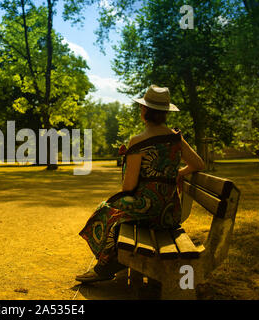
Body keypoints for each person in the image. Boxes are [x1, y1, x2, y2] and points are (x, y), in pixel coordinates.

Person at [75, 85, 205, 283]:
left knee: (105, 210)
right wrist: (177, 173)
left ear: (144, 111)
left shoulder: (138, 140)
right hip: (170, 213)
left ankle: (107, 266)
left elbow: (128, 187)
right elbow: (198, 164)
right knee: (118, 216)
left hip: (148, 211)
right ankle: (111, 263)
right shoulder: (176, 138)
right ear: (165, 114)